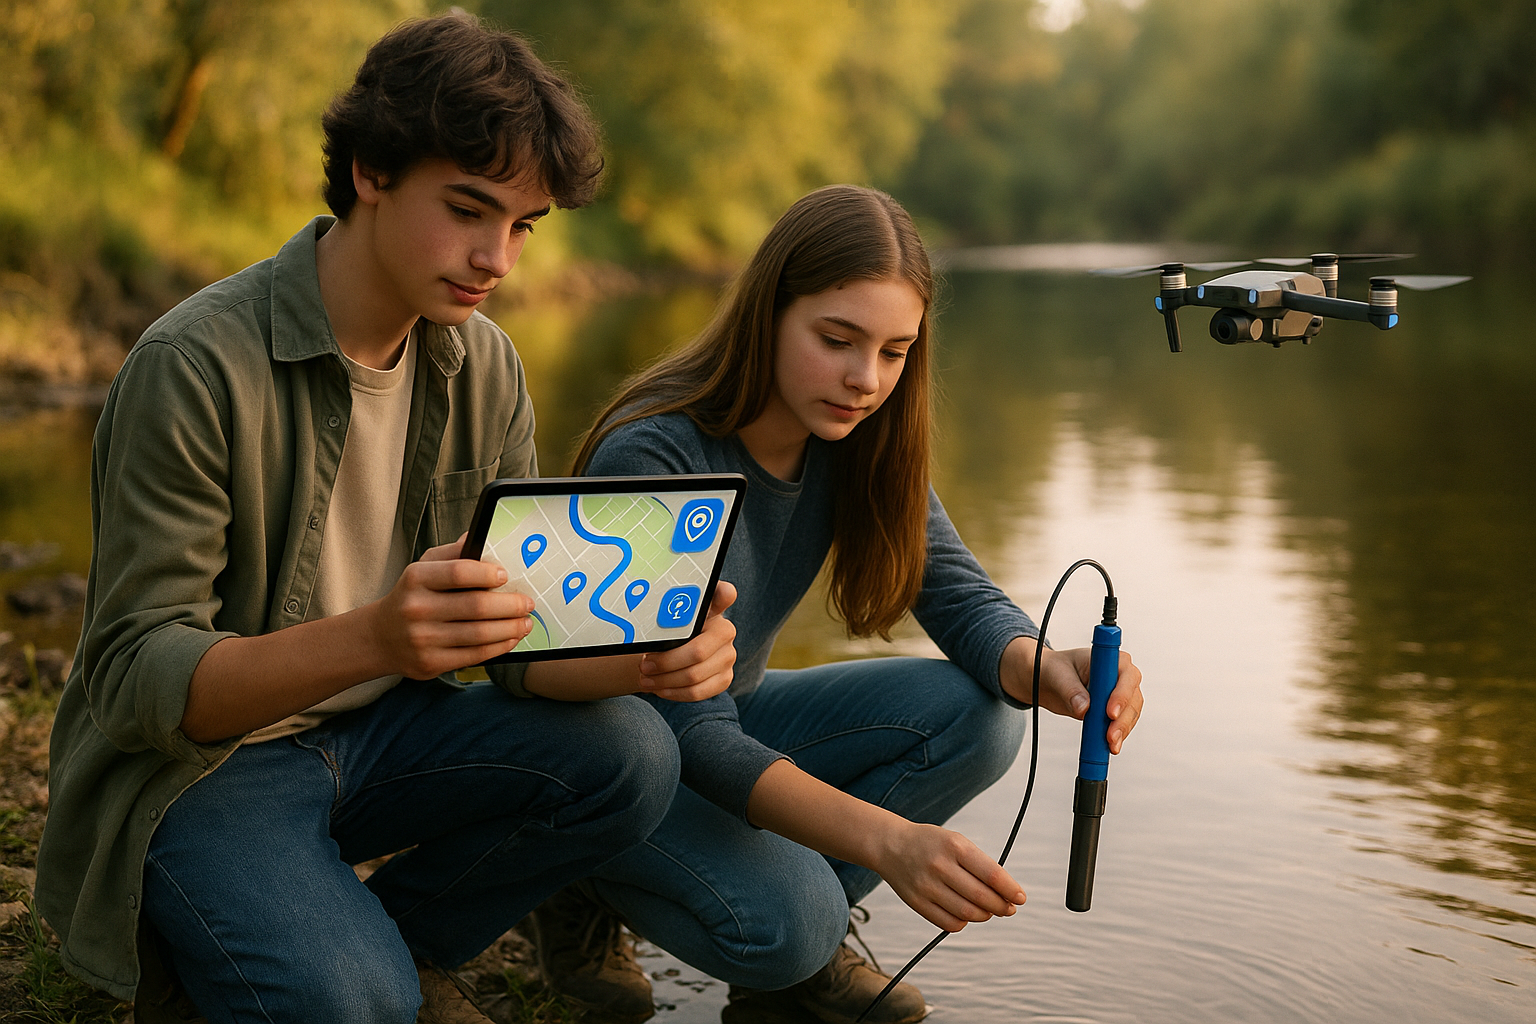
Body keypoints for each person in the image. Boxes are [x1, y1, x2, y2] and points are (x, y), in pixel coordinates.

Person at [35, 14, 736, 1024]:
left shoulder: (486, 366)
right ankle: (264, 950)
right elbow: (142, 683)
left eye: (524, 225)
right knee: (347, 1001)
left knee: (633, 751)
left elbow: (522, 648)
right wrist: (376, 635)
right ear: (370, 170)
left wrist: (649, 655)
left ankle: (400, 942)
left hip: (377, 739)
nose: (497, 256)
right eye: (468, 210)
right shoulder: (192, 366)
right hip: (203, 768)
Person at [545, 184, 1147, 1024]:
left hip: (733, 718)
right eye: (838, 340)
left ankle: (785, 969)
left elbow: (958, 592)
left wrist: (1045, 668)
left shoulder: (852, 432)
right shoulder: (659, 451)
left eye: (896, 352)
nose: (867, 381)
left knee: (984, 715)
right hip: (616, 762)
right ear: (768, 314)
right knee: (794, 923)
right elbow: (684, 728)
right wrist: (888, 842)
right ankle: (586, 883)